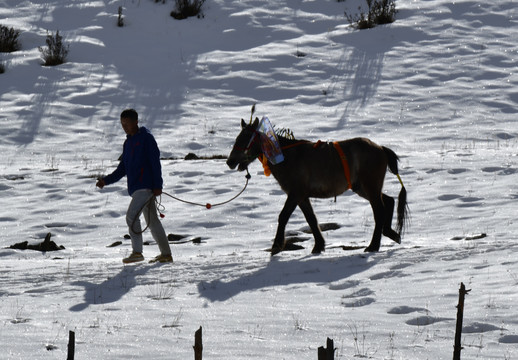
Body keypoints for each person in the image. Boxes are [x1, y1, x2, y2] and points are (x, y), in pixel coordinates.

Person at [96, 109, 173, 264]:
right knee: (152, 221)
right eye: (122, 124)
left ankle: (137, 252)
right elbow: (122, 168)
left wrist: (158, 185)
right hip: (137, 188)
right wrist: (106, 180)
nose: (124, 127)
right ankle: (166, 255)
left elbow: (155, 162)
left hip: (146, 186)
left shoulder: (146, 138)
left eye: (127, 123)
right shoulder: (128, 143)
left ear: (136, 122)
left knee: (131, 216)